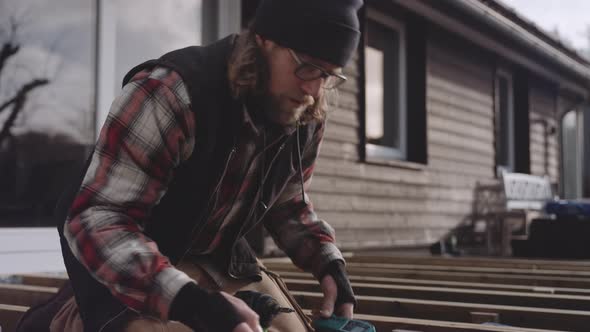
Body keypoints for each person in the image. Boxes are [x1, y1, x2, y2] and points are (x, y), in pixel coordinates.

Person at [22, 0, 363, 331]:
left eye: (329, 75)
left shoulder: (305, 110)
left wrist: (328, 262)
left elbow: (288, 204)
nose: (314, 90)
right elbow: (96, 218)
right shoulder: (171, 94)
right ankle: (64, 316)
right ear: (264, 41)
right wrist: (192, 304)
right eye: (306, 65)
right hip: (140, 269)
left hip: (219, 262)